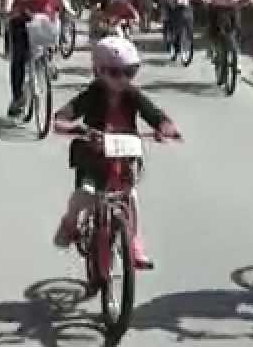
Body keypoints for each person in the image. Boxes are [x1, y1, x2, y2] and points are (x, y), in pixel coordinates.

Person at [52, 37, 181, 270]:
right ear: (98, 71)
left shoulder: (133, 95)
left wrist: (165, 127)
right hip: (93, 156)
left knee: (130, 197)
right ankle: (70, 222)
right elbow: (67, 113)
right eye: (114, 73)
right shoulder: (92, 94)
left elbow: (153, 113)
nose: (122, 79)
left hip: (124, 154)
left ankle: (133, 241)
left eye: (129, 72)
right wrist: (68, 125)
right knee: (86, 192)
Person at [2, 0, 74, 118]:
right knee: (18, 57)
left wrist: (67, 7)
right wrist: (8, 6)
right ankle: (17, 97)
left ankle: (49, 62)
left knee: (49, 41)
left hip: (43, 15)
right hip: (22, 15)